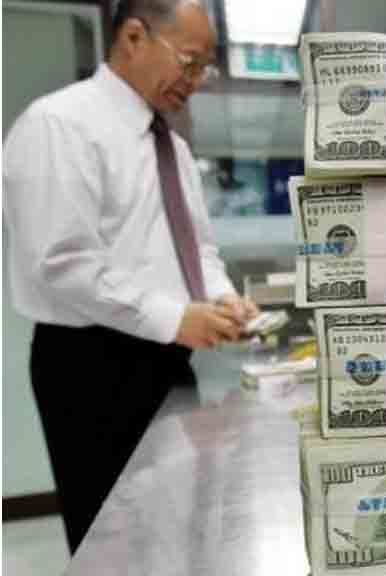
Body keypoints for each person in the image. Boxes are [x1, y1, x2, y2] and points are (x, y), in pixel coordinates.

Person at [2, 0, 258, 552]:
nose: (196, 81)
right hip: (92, 367)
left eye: (205, 69)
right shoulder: (59, 125)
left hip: (167, 359)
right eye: (189, 62)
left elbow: (197, 249)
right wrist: (175, 318)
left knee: (182, 525)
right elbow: (60, 263)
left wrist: (221, 298)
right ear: (135, 37)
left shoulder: (174, 147)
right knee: (115, 542)